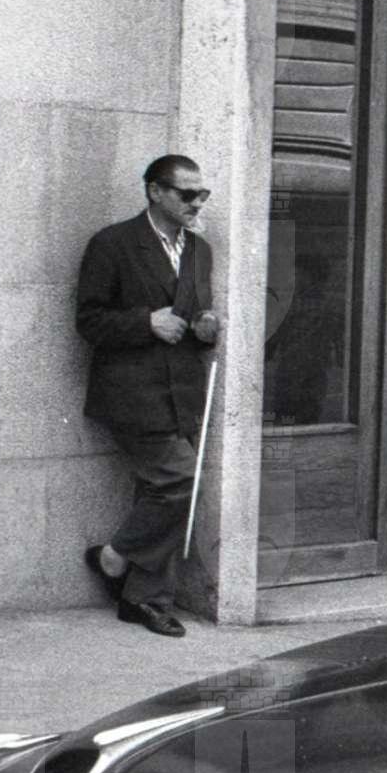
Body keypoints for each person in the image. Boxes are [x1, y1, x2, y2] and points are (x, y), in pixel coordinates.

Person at [76, 155, 221, 637]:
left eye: (202, 194)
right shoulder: (113, 243)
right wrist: (146, 322)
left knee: (160, 491)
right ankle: (113, 558)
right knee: (180, 481)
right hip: (132, 394)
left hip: (182, 393)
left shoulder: (199, 250)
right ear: (155, 192)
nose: (196, 203)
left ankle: (142, 599)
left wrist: (205, 326)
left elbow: (193, 318)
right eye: (186, 194)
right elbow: (88, 320)